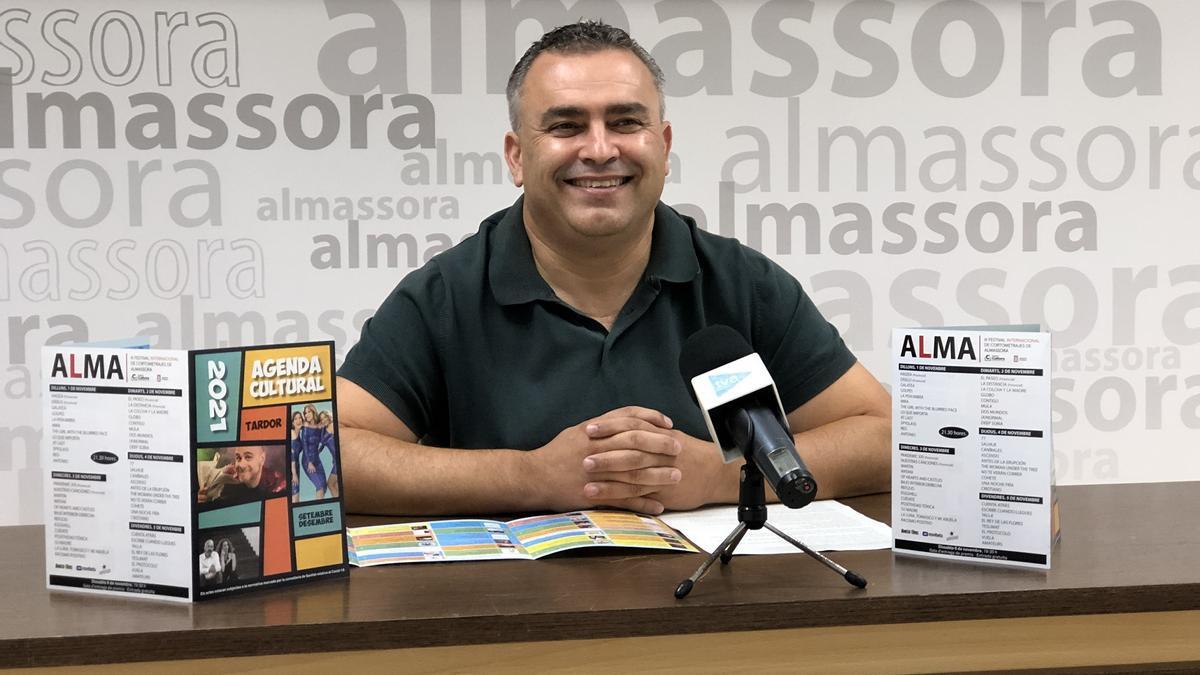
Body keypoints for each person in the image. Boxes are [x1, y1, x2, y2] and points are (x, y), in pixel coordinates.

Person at [337, 21, 891, 516]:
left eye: (625, 121)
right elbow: (326, 451)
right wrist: (530, 478)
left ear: (664, 147)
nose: (600, 149)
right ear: (516, 156)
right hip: (508, 617)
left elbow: (885, 434)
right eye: (566, 126)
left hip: (717, 613)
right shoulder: (443, 297)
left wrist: (716, 474)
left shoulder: (743, 283)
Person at [200, 445, 287, 503]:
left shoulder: (279, 486)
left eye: (248, 457)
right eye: (238, 458)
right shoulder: (229, 485)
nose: (240, 464)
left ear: (262, 459)